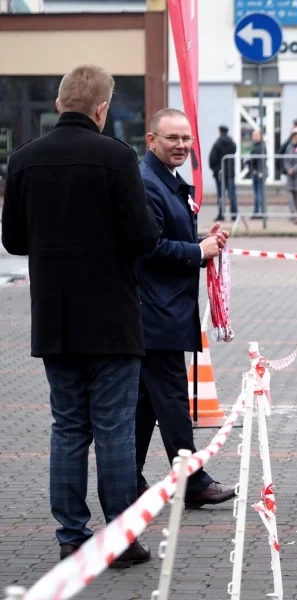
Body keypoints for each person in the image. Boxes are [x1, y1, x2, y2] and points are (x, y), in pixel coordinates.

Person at [1, 64, 160, 564]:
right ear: (102, 109)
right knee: (114, 428)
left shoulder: (24, 160)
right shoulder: (117, 158)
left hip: (54, 317)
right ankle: (119, 538)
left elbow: (12, 240)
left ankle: (72, 533)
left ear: (57, 105)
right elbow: (144, 237)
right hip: (112, 317)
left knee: (68, 426)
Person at [135, 108, 237, 510]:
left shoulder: (172, 180)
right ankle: (191, 480)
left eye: (186, 139)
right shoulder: (146, 183)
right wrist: (198, 251)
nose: (180, 146)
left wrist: (201, 239)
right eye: (171, 138)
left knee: (146, 402)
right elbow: (149, 248)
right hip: (155, 310)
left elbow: (170, 234)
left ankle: (127, 477)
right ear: (151, 140)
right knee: (174, 399)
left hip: (167, 308)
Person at [209, 125, 238, 221]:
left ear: (220, 132)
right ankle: (234, 214)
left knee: (221, 195)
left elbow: (212, 158)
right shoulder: (232, 143)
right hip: (230, 172)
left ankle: (221, 214)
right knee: (232, 194)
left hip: (220, 173)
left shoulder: (217, 143)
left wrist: (214, 168)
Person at [245, 129, 267, 218]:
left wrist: (249, 162)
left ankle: (258, 213)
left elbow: (256, 159)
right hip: (257, 172)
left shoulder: (260, 147)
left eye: (256, 136)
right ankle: (259, 212)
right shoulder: (257, 146)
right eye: (253, 136)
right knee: (258, 193)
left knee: (259, 193)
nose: (254, 137)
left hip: (258, 172)